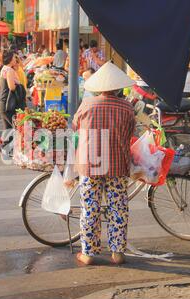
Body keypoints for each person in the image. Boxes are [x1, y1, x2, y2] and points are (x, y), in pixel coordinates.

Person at [69, 61, 135, 266]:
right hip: (117, 164)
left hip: (90, 164)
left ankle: (88, 253)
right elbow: (131, 133)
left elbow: (75, 126)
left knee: (90, 207)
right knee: (119, 207)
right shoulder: (126, 106)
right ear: (117, 87)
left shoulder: (87, 104)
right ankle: (117, 253)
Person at [0, 51, 26, 156]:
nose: (16, 59)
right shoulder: (9, 70)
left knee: (8, 128)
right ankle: (4, 148)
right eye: (14, 57)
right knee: (15, 128)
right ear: (10, 59)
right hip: (9, 105)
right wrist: (19, 86)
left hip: (4, 104)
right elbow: (11, 87)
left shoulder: (4, 69)